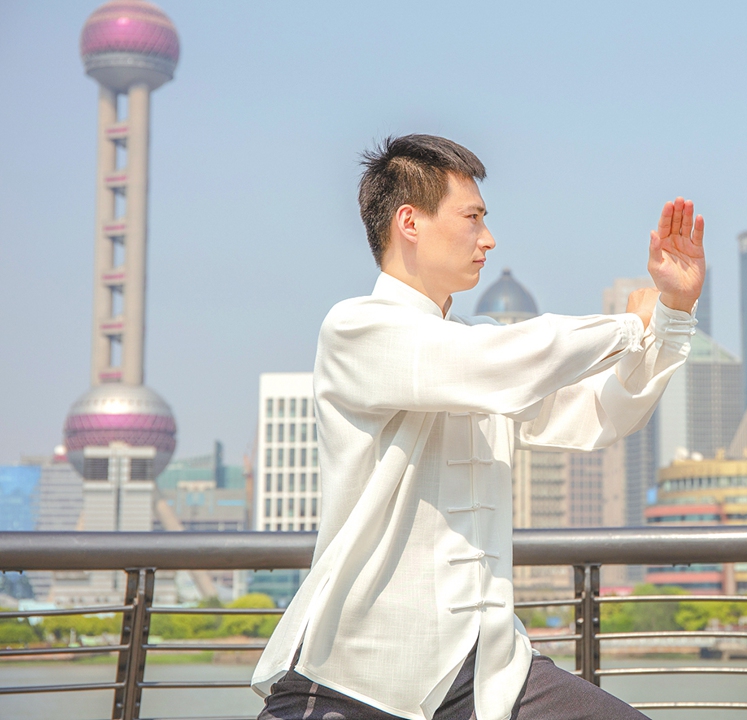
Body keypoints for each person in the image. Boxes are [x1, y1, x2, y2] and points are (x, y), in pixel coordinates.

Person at [252, 134, 705, 720]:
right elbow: (494, 366)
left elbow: (600, 415)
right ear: (409, 221)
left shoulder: (479, 340)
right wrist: (626, 324)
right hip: (359, 675)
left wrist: (672, 314)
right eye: (472, 218)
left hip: (488, 667)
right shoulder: (357, 329)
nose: (487, 239)